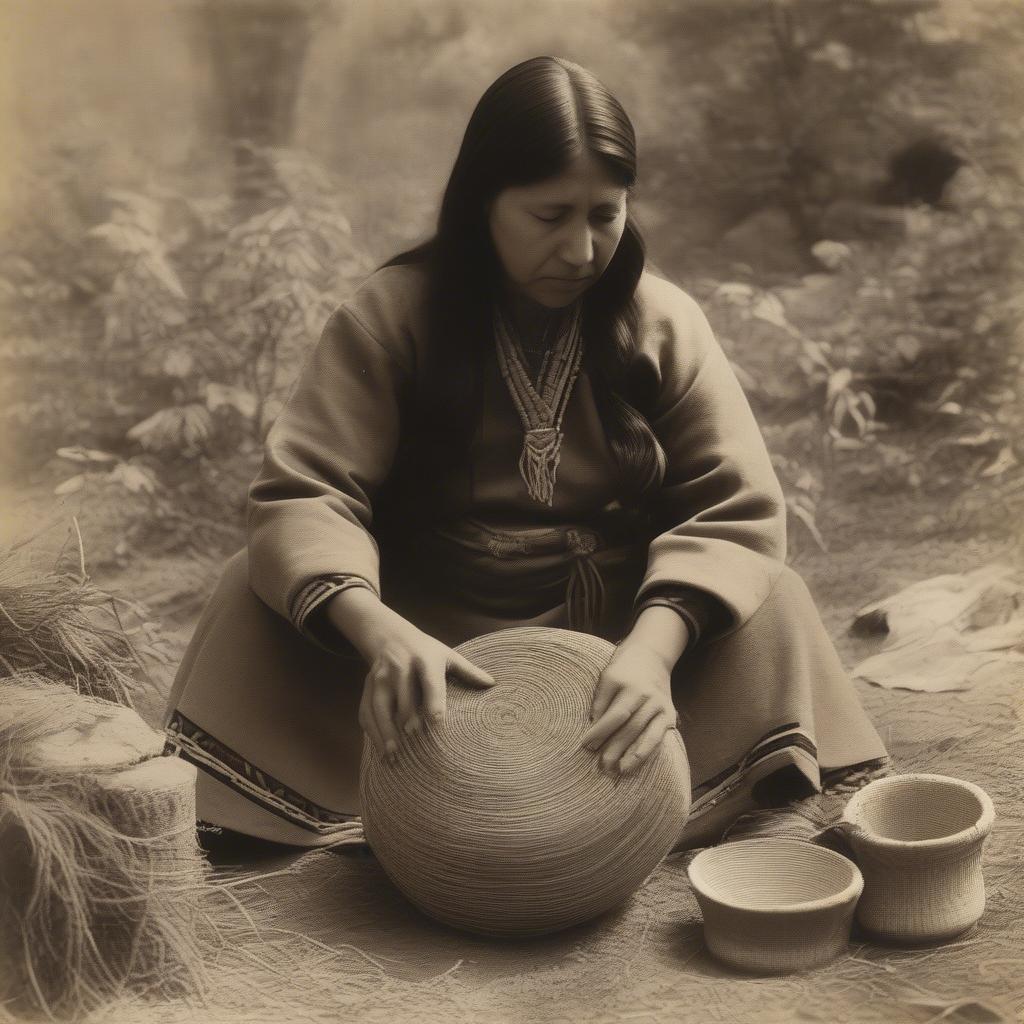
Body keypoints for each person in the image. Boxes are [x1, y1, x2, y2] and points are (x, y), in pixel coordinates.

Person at [163, 55, 887, 855]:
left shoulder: (661, 322)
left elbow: (735, 506)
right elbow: (306, 495)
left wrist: (652, 651)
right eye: (550, 216)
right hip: (428, 633)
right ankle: (377, 794)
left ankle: (662, 784)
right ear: (482, 204)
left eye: (604, 214)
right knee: (250, 591)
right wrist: (374, 631)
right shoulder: (389, 318)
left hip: (616, 626)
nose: (581, 250)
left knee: (771, 595)